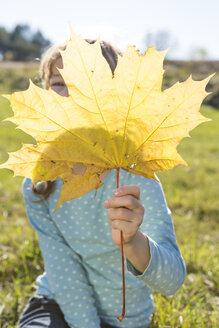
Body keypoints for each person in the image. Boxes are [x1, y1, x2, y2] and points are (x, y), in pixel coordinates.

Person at [18, 38, 186, 328]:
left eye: (89, 84)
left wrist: (134, 243)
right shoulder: (39, 183)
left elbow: (171, 281)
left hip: (125, 319)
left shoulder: (137, 177)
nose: (72, 95)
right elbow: (63, 272)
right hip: (57, 303)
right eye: (59, 83)